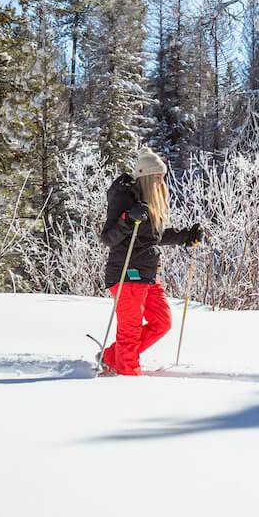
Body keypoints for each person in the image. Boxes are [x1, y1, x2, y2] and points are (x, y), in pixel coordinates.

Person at [98, 148, 204, 376]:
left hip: (146, 273)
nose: (161, 182)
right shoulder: (124, 197)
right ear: (147, 176)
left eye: (162, 177)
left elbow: (153, 236)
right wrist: (127, 219)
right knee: (130, 332)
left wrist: (185, 237)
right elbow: (108, 237)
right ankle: (128, 377)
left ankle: (110, 357)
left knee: (162, 322)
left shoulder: (148, 203)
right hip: (126, 273)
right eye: (158, 177)